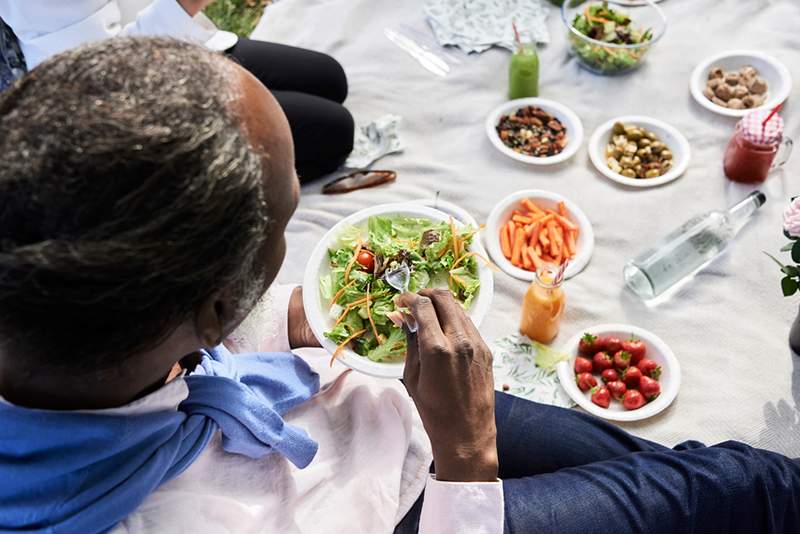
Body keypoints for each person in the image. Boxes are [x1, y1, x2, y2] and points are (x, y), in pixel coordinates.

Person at [1, 38, 799, 534]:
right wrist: (466, 454)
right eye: (288, 222)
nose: (297, 240)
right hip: (412, 507)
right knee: (737, 487)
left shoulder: (72, 319)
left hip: (325, 399)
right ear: (212, 305)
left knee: (666, 469)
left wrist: (278, 324)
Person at [0, 0, 354, 181]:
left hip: (180, 46)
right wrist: (186, 5)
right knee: (334, 133)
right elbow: (103, 81)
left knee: (329, 78)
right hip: (134, 105)